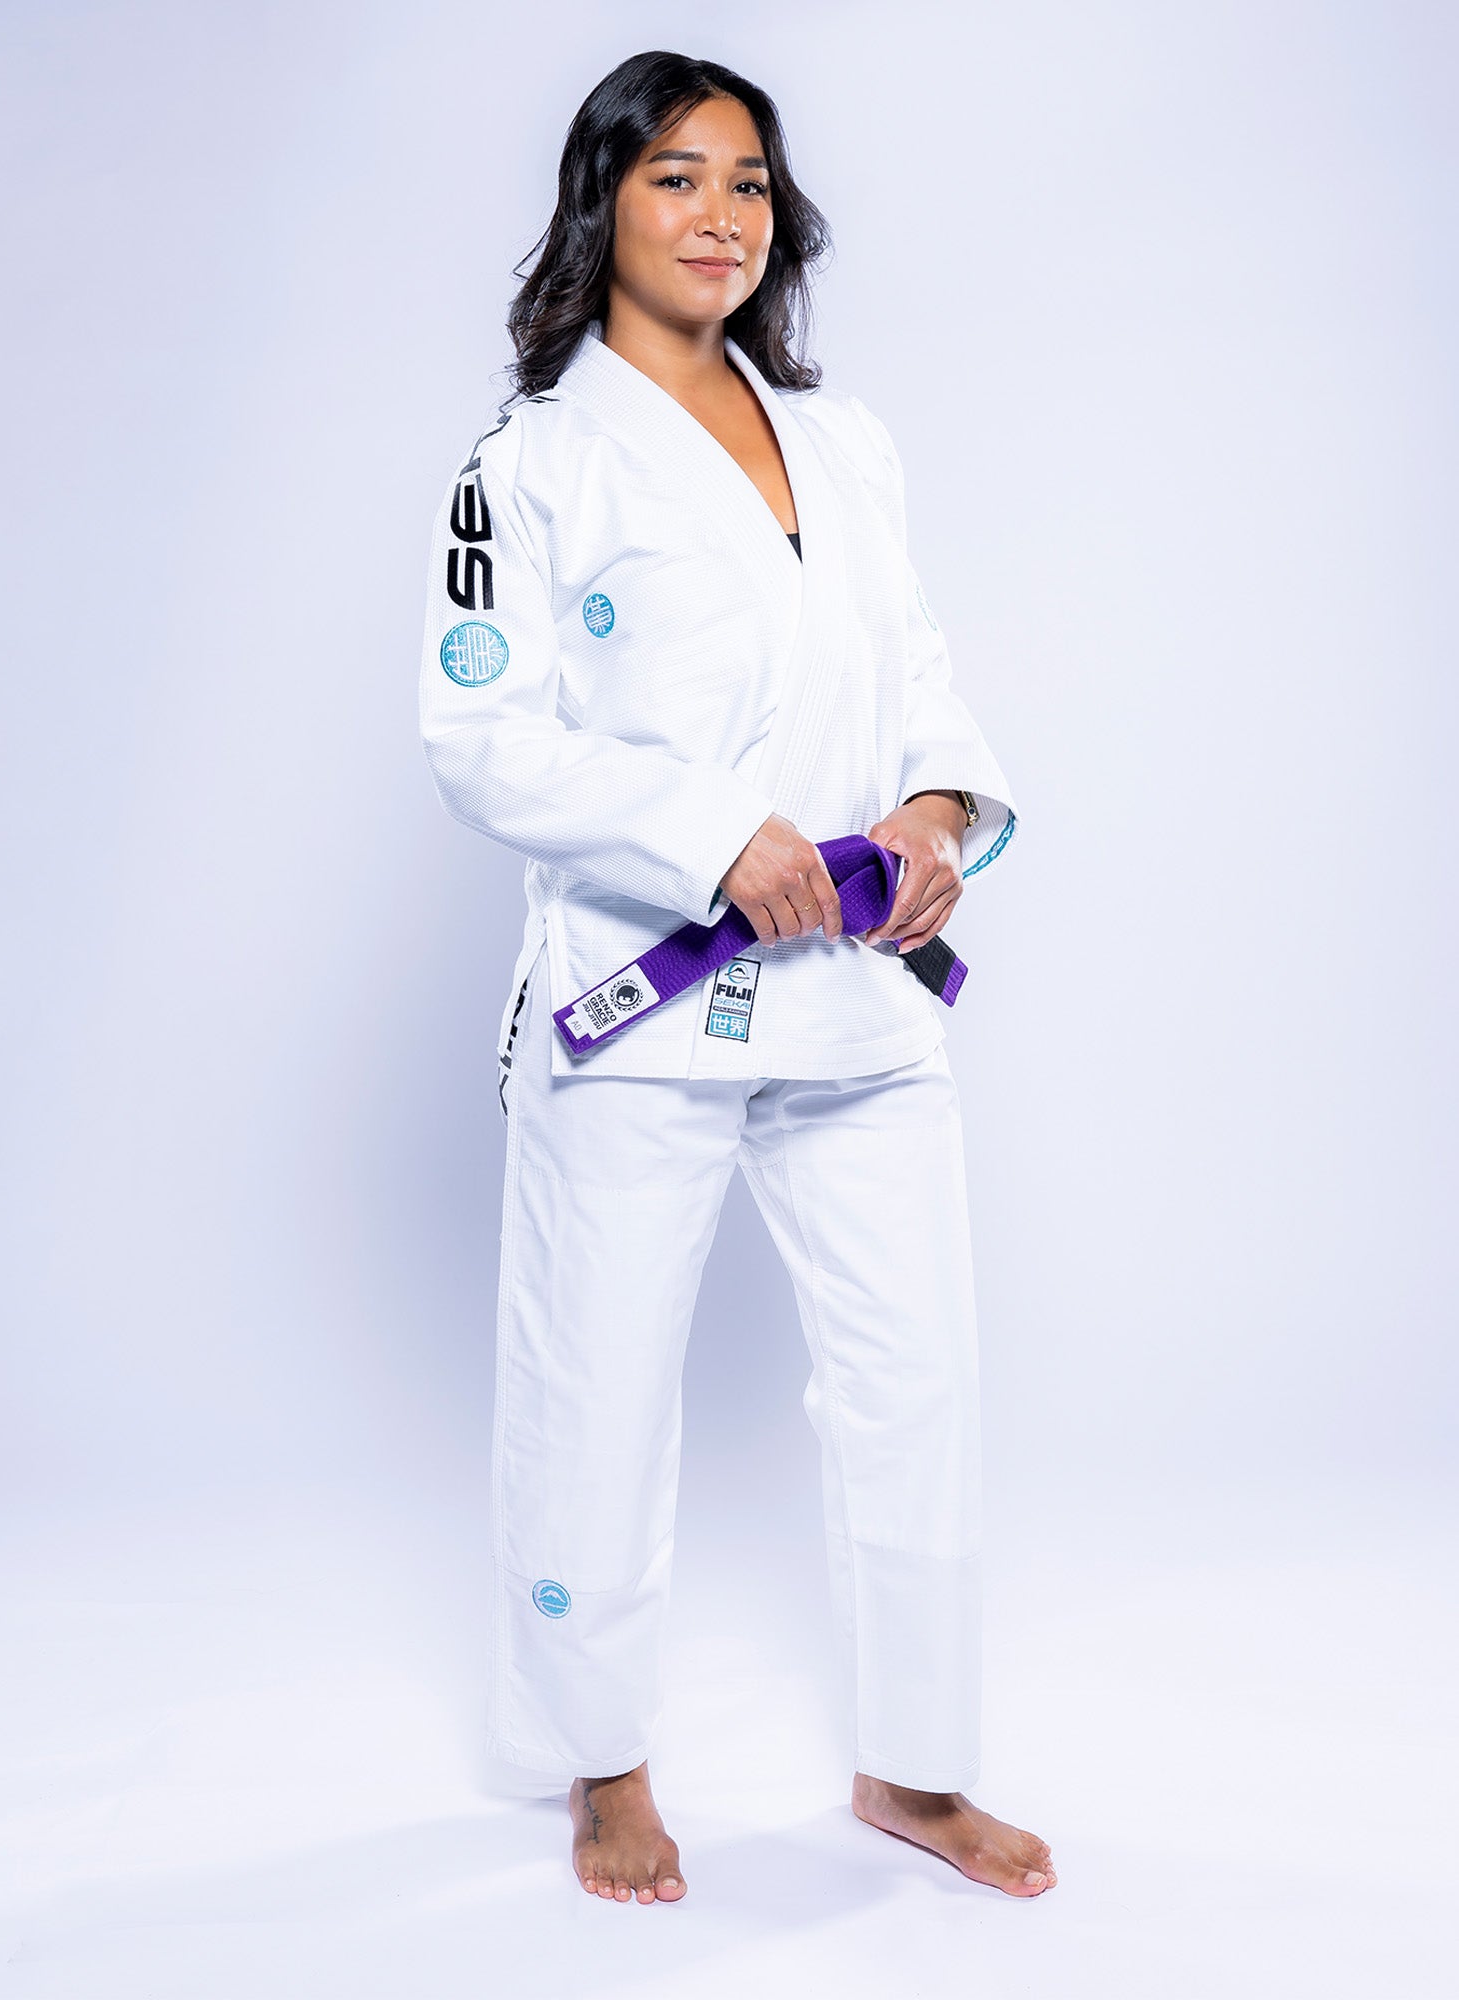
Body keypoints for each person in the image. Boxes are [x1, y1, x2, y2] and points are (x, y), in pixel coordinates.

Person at [419, 49, 1055, 1907]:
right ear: (603, 201)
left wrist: (938, 816)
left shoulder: (843, 438)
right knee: (595, 1387)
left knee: (917, 1383)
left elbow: (919, 670)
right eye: (680, 179)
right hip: (638, 1004)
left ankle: (918, 1773)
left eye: (751, 185)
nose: (720, 216)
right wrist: (714, 835)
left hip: (858, 997)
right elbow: (480, 740)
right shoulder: (526, 462)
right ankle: (600, 1763)